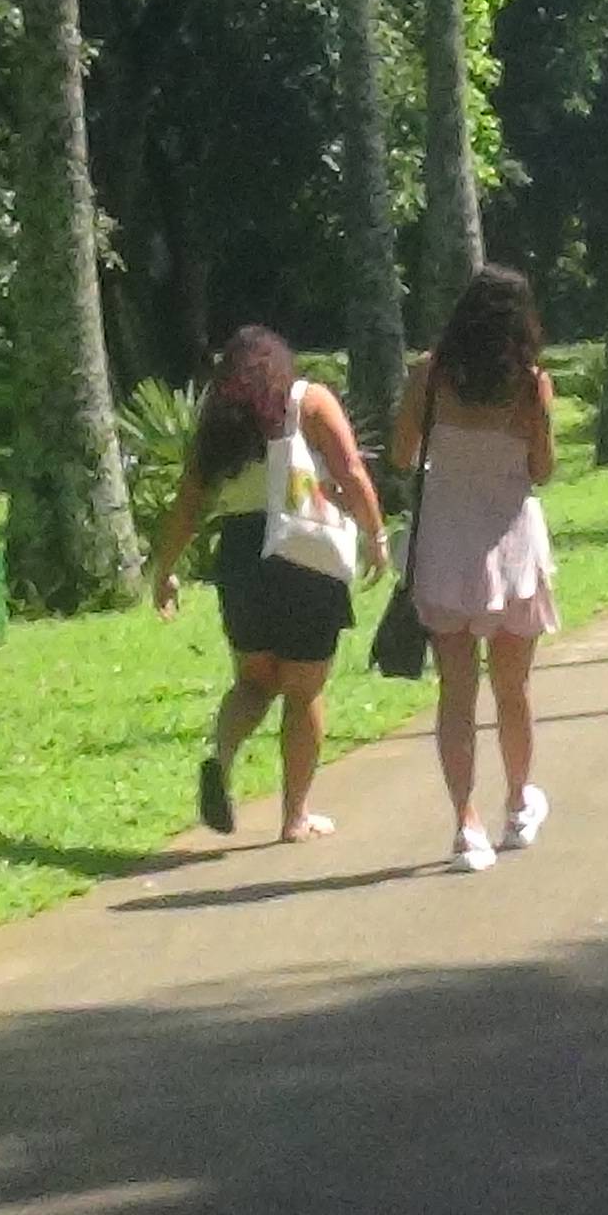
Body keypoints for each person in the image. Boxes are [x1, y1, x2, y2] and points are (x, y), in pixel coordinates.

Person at [149, 324, 382, 841]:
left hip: (240, 553)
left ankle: (220, 753)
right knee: (304, 690)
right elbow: (349, 470)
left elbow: (188, 502)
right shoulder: (310, 400)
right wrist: (376, 534)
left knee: (254, 680)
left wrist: (164, 569)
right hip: (303, 550)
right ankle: (295, 816)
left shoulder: (219, 423)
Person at [393, 263, 562, 871]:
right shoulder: (530, 385)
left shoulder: (429, 377)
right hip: (511, 539)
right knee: (513, 688)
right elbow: (541, 470)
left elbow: (402, 452)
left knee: (455, 691)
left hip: (446, 542)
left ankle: (466, 825)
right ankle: (518, 804)